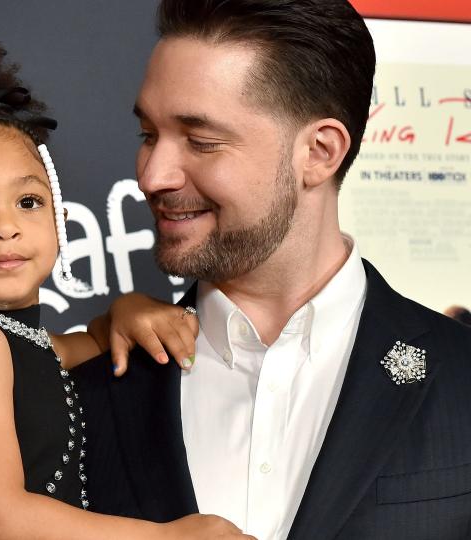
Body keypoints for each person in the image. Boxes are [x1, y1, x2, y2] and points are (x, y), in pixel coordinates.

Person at [75, 1, 471, 539]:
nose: (152, 175)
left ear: (320, 152)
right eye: (148, 135)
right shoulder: (84, 389)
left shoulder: (461, 375)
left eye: (201, 141)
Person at [0, 42, 252, 540]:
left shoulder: (14, 342)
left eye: (27, 201)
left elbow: (72, 347)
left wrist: (122, 312)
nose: (5, 227)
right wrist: (168, 537)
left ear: (60, 222)